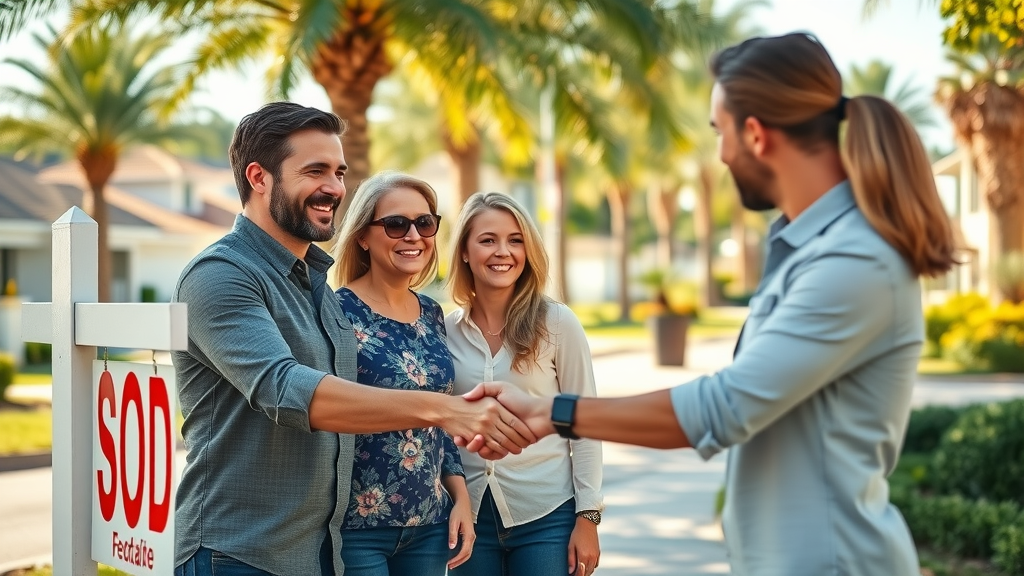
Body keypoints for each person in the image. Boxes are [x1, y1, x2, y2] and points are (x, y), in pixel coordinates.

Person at [461, 33, 958, 576]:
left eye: (721, 132)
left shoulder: (854, 262)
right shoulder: (803, 250)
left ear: (754, 133)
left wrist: (556, 414)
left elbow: (726, 407)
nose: (720, 155)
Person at [171, 102, 534, 576]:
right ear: (259, 177)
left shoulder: (312, 284)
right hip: (236, 553)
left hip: (315, 551)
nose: (335, 188)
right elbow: (286, 391)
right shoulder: (220, 275)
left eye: (339, 172)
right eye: (315, 171)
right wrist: (447, 409)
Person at [445, 192, 604, 576]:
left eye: (515, 240)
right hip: (469, 517)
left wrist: (589, 518)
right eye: (488, 240)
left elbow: (584, 423)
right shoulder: (444, 330)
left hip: (547, 515)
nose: (503, 252)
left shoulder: (558, 323)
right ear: (465, 251)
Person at [330, 170, 474, 575]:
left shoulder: (431, 312)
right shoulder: (334, 311)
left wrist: (460, 498)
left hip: (430, 524)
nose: (413, 235)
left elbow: (442, 416)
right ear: (362, 235)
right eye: (396, 223)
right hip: (357, 528)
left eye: (424, 223)